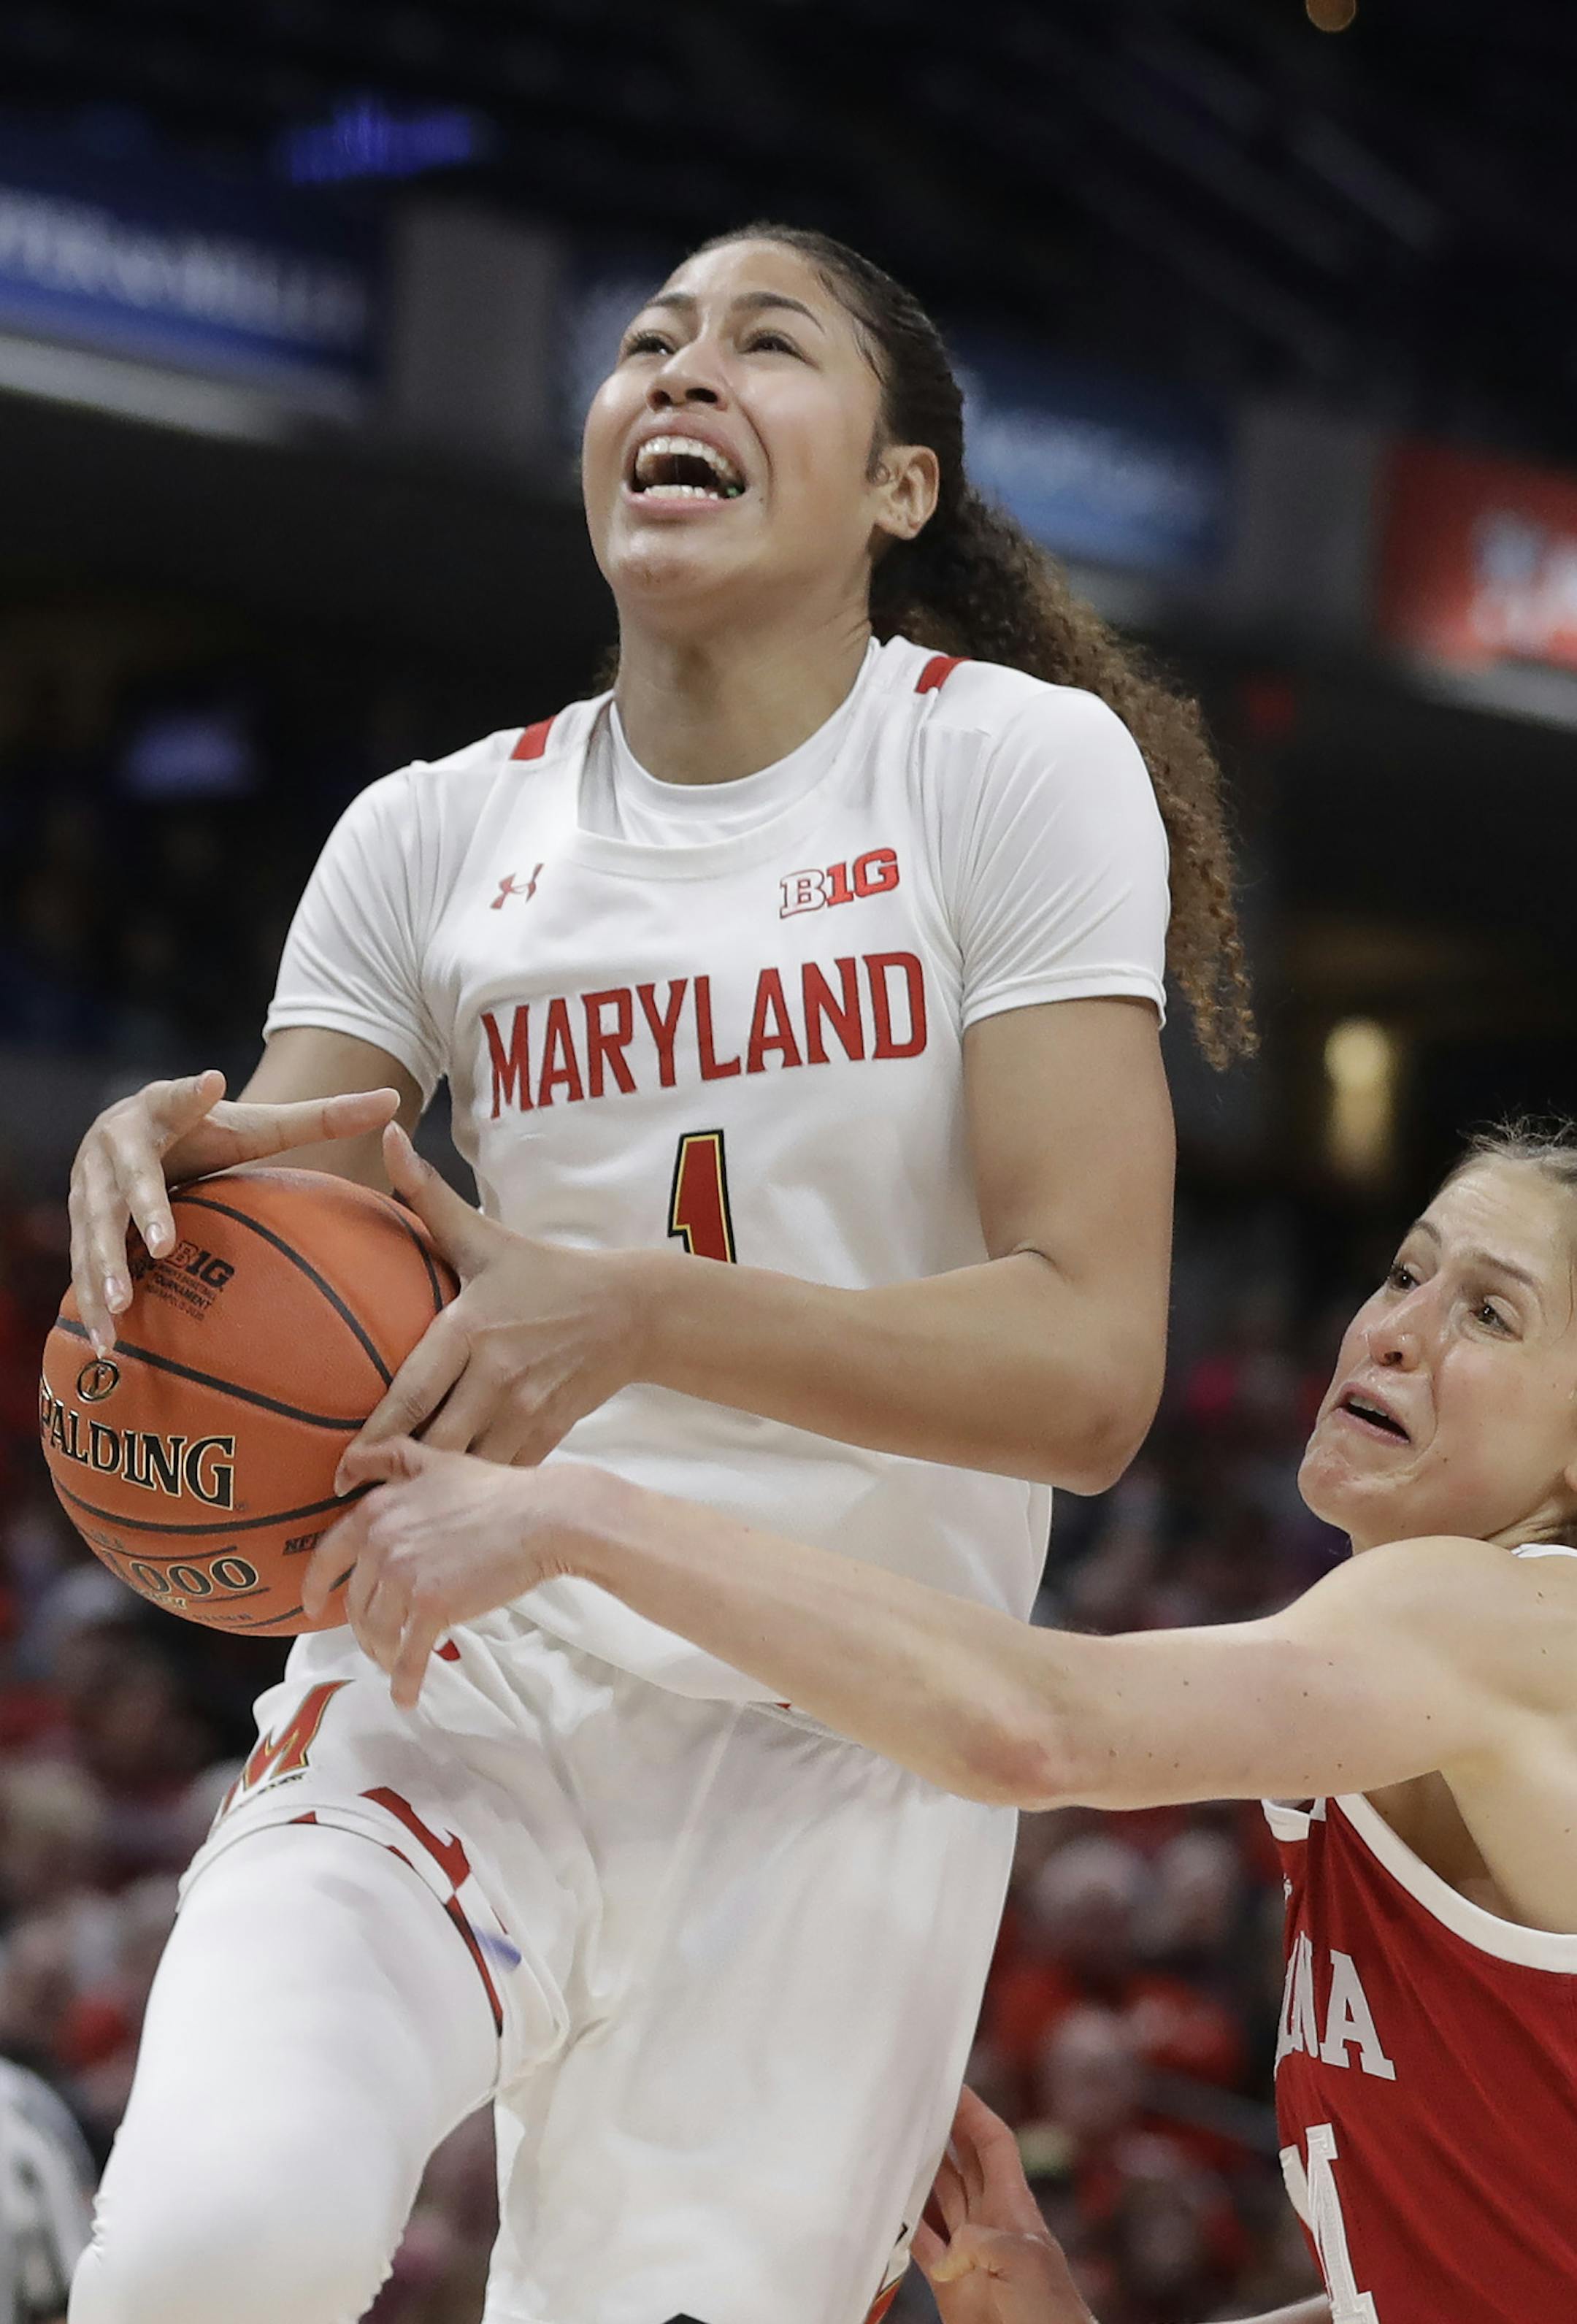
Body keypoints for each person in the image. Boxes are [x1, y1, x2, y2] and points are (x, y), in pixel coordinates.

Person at [64, 224, 1249, 2324]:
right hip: (465, 1665)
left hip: (842, 1739)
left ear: (903, 489)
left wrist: (635, 1308)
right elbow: (277, 1225)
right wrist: (149, 1210)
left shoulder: (1009, 768)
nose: (683, 375)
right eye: (646, 345)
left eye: (766, 345)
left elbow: (1087, 1366)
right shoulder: (427, 833)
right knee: (207, 2255)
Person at [323, 1121, 1577, 2323]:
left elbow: (1038, 1727)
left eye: (1489, 1314)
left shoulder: (1507, 1623)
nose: (1400, 1333)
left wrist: (579, 1519)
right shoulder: (1408, 1671)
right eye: (1406, 1273)